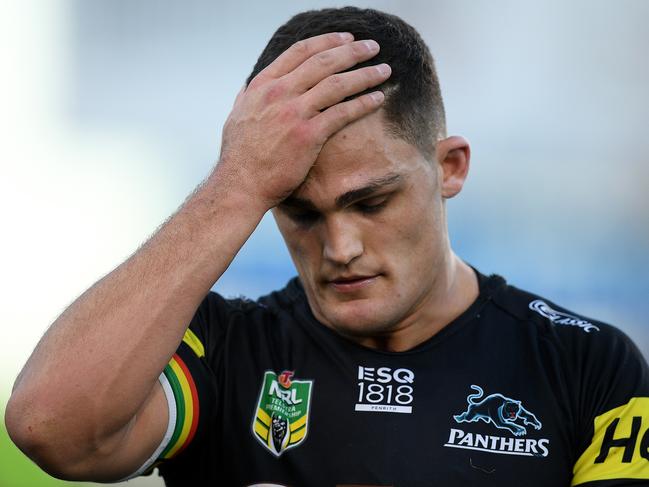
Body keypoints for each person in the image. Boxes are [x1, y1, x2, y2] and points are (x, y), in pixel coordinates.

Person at [5, 6, 648, 487]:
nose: (339, 247)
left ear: (450, 167)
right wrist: (236, 184)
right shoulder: (225, 352)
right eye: (299, 211)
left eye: (371, 203)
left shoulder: (587, 366)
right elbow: (50, 432)